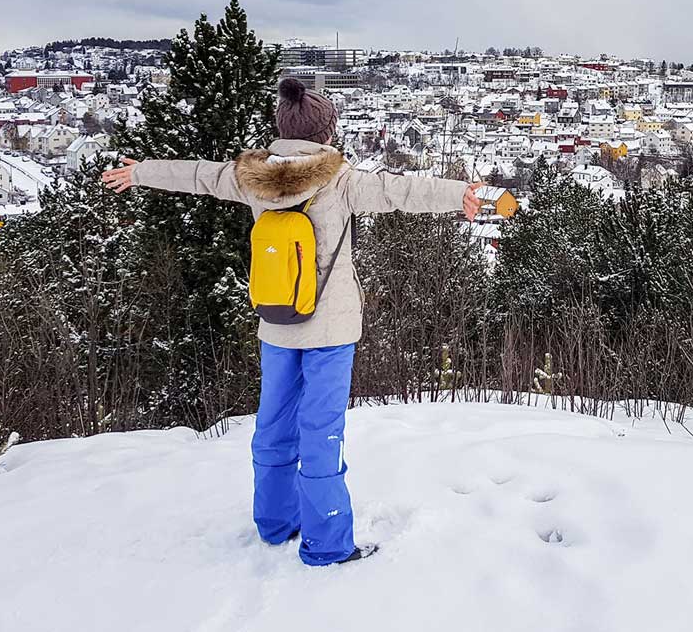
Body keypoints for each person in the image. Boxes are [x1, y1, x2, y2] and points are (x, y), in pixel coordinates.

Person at [102, 77, 479, 566]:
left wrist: (142, 172)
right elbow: (400, 191)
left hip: (277, 322)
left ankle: (276, 523)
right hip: (330, 328)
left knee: (275, 421)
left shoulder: (248, 178)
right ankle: (326, 544)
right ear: (326, 133)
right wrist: (459, 194)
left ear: (281, 129)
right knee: (320, 429)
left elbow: (198, 175)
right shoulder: (341, 180)